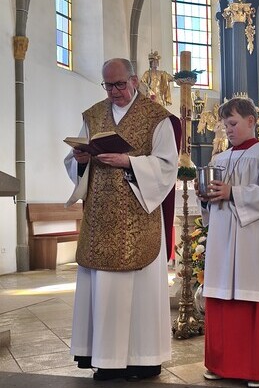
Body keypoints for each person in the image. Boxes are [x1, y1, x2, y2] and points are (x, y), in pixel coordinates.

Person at [64, 58, 181, 381]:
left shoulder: (157, 118)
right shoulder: (93, 115)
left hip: (138, 218)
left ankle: (143, 360)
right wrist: (81, 158)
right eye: (108, 85)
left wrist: (129, 162)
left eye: (119, 84)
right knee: (101, 291)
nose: (113, 92)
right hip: (99, 218)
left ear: (134, 81)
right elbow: (73, 162)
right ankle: (104, 359)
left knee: (138, 294)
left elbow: (167, 166)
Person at [195, 97, 259, 388]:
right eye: (225, 125)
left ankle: (257, 369)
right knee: (221, 297)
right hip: (223, 242)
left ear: (251, 121)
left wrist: (233, 192)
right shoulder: (219, 159)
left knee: (252, 296)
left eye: (233, 123)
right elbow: (211, 204)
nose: (229, 130)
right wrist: (205, 198)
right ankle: (220, 365)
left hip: (253, 243)